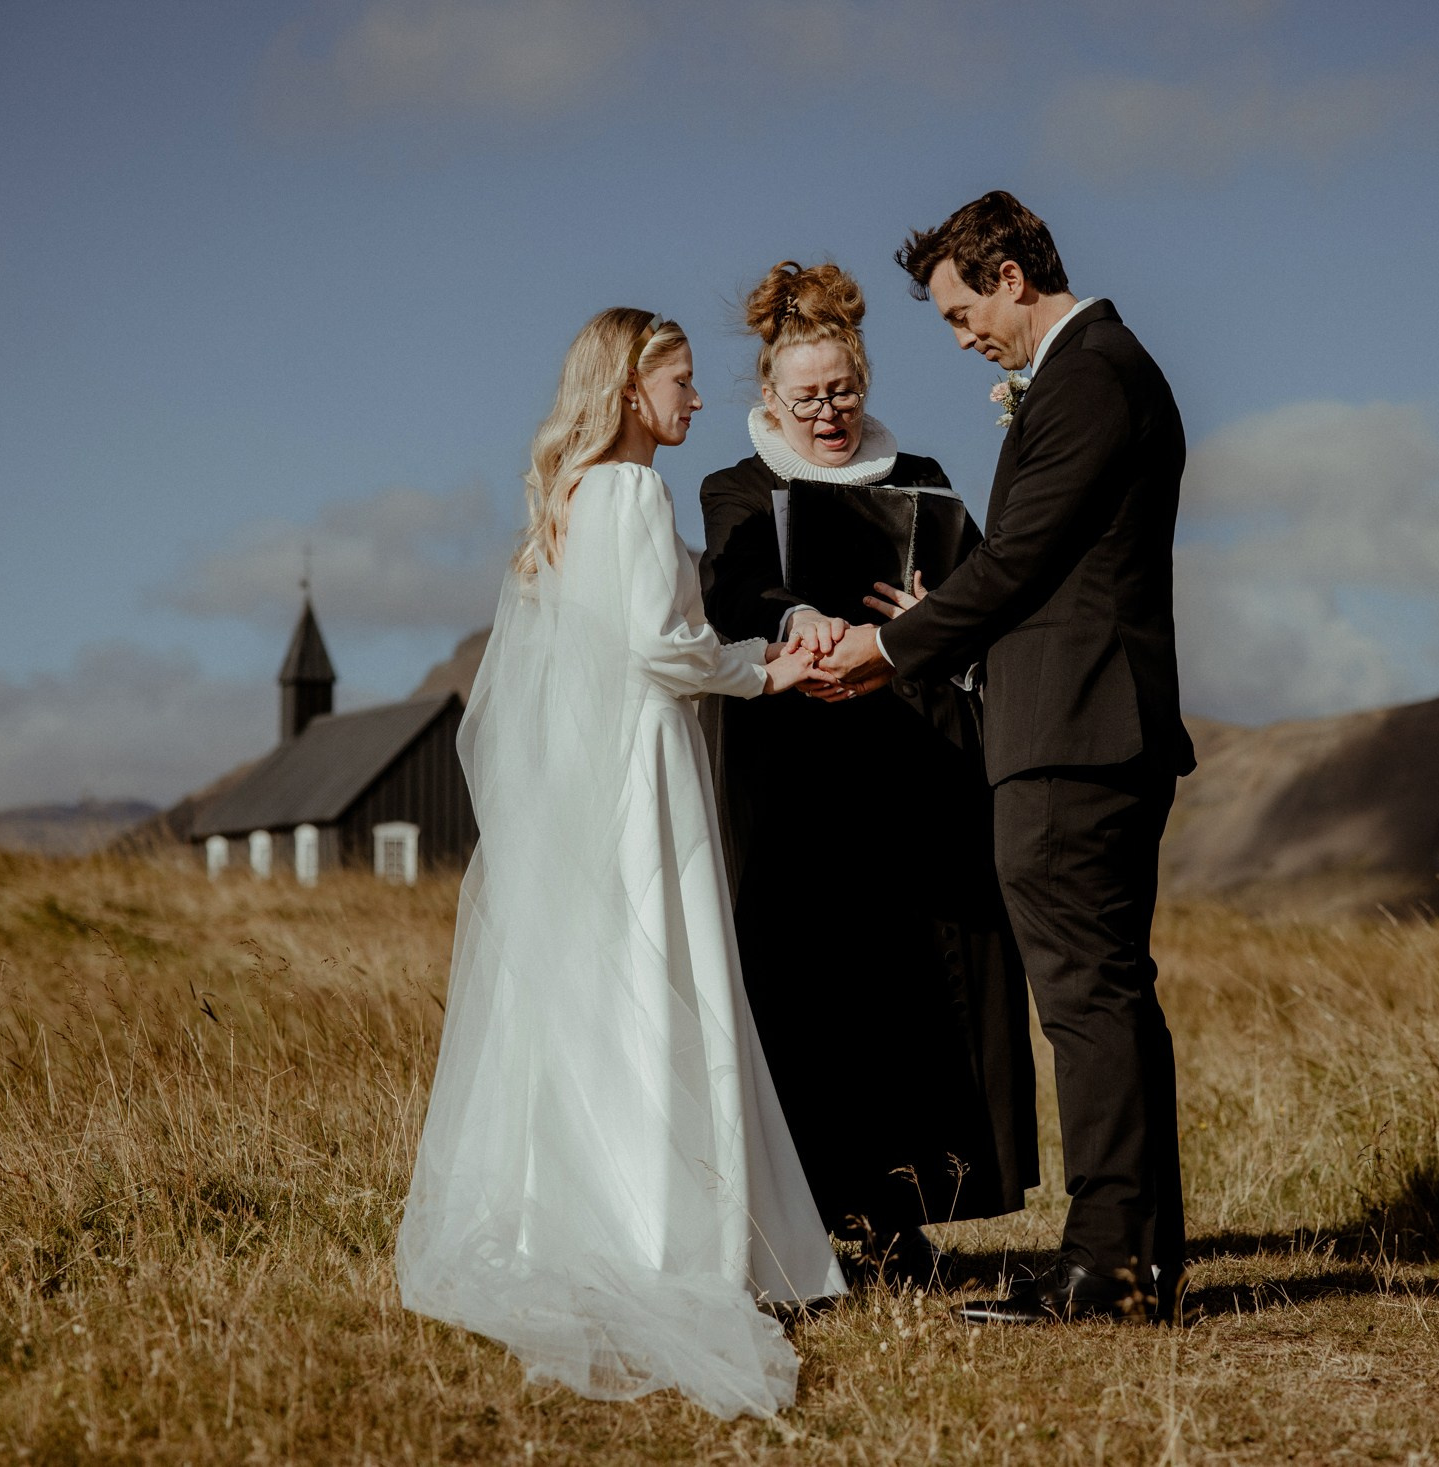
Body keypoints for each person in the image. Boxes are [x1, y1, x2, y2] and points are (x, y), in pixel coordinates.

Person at [395, 308, 845, 1419]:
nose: (696, 400)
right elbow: (658, 647)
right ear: (629, 387)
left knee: (599, 993)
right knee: (666, 980)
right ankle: (671, 1240)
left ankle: (579, 1218)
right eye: (682, 382)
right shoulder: (637, 493)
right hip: (645, 769)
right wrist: (764, 671)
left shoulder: (568, 497)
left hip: (581, 781)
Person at [818, 192, 1199, 1325]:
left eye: (957, 312)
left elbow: (1026, 558)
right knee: (1105, 998)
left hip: (1076, 738)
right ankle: (1132, 1257)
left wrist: (889, 645)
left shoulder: (1090, 376)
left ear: (1010, 276)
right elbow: (1050, 570)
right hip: (1079, 723)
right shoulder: (1098, 371)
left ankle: (1107, 1268)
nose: (961, 336)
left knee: (1086, 1000)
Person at [698, 261, 1038, 1282]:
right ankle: (809, 1216)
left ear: (864, 381)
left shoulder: (921, 473)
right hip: (794, 779)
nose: (828, 411)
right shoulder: (735, 486)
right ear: (770, 398)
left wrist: (934, 613)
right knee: (805, 989)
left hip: (911, 767)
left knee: (910, 992)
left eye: (842, 390)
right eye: (805, 397)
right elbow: (733, 594)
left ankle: (901, 1212)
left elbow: (988, 598)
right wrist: (792, 614)